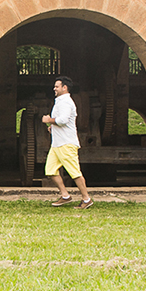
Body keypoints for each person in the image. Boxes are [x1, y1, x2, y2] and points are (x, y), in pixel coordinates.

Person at [41, 75, 93, 209]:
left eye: (57, 86)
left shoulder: (66, 102)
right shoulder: (60, 101)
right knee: (50, 170)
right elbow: (61, 121)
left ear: (65, 88)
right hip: (57, 144)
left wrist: (49, 120)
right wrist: (52, 127)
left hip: (66, 143)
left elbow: (63, 120)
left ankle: (86, 199)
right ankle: (65, 196)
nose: (54, 88)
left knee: (75, 172)